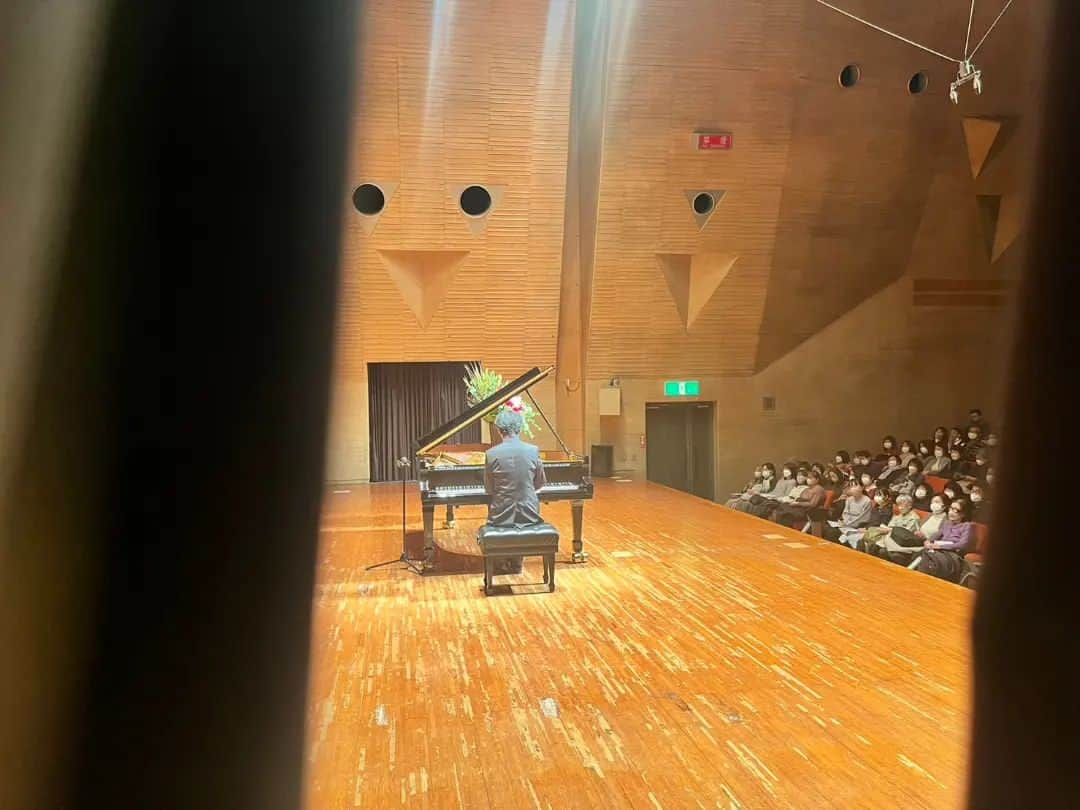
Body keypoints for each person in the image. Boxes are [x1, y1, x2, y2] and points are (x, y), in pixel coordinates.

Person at [483, 408, 546, 574]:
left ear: (499, 430)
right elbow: (539, 483)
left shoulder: (491, 454)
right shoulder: (533, 451)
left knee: (496, 512)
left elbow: (489, 489)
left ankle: (499, 562)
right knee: (521, 514)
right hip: (529, 513)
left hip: (501, 515)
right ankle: (517, 564)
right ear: (519, 428)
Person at [873, 493, 950, 564]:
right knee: (881, 549)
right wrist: (917, 533)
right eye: (932, 502)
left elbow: (940, 539)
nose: (933, 504)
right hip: (916, 541)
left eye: (937, 502)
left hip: (926, 545)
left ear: (945, 505)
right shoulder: (930, 515)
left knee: (890, 553)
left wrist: (926, 538)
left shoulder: (946, 520)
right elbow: (918, 530)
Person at [914, 498, 975, 582]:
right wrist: (928, 541)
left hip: (952, 554)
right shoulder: (947, 523)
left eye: (956, 510)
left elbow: (962, 544)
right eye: (951, 508)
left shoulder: (967, 526)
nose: (951, 512)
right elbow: (937, 534)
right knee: (921, 554)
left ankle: (920, 579)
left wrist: (940, 546)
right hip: (938, 550)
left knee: (928, 559)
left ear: (963, 514)